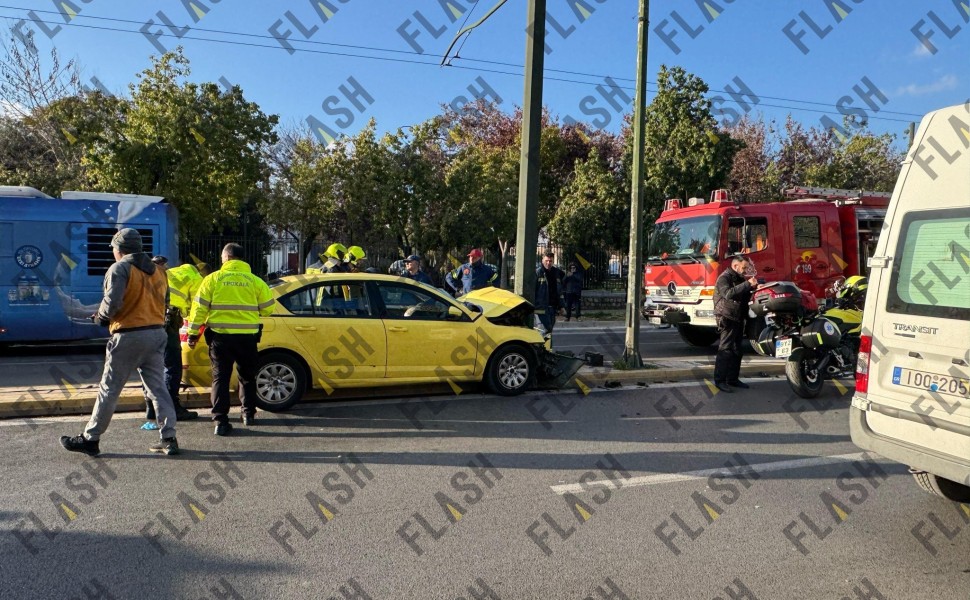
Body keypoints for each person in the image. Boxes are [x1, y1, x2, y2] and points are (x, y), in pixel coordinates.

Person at [60, 228, 180, 456]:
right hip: (156, 334)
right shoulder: (159, 271)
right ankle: (169, 438)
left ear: (119, 249)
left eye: (114, 249)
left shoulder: (120, 269)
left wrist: (101, 318)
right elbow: (165, 301)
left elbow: (112, 302)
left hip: (129, 335)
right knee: (158, 388)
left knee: (109, 389)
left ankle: (90, 438)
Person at [186, 243, 274, 436]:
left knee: (220, 378)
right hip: (247, 338)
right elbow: (268, 308)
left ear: (225, 258)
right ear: (242, 259)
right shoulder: (255, 281)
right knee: (247, 377)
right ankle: (248, 414)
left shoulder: (212, 279)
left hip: (220, 338)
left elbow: (199, 309)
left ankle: (220, 421)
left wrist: (193, 334)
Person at [140, 257, 210, 429]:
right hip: (168, 321)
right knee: (172, 366)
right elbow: (197, 308)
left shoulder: (172, 272)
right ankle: (173, 407)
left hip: (148, 320)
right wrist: (194, 331)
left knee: (150, 365)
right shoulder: (198, 280)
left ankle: (150, 407)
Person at [713, 255, 758, 393]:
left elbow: (742, 293)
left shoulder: (739, 278)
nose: (745, 271)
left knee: (737, 350)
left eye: (746, 268)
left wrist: (754, 288)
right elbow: (728, 293)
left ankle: (733, 379)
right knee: (725, 349)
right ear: (735, 266)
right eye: (743, 267)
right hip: (727, 317)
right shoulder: (724, 277)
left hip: (738, 317)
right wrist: (747, 284)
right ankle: (720, 381)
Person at [534, 251, 565, 335]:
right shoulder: (538, 272)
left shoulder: (556, 272)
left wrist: (561, 306)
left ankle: (547, 348)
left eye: (550, 261)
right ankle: (539, 347)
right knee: (542, 330)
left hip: (552, 308)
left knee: (549, 331)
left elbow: (559, 291)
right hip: (541, 309)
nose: (548, 263)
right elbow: (533, 290)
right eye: (546, 261)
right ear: (542, 260)